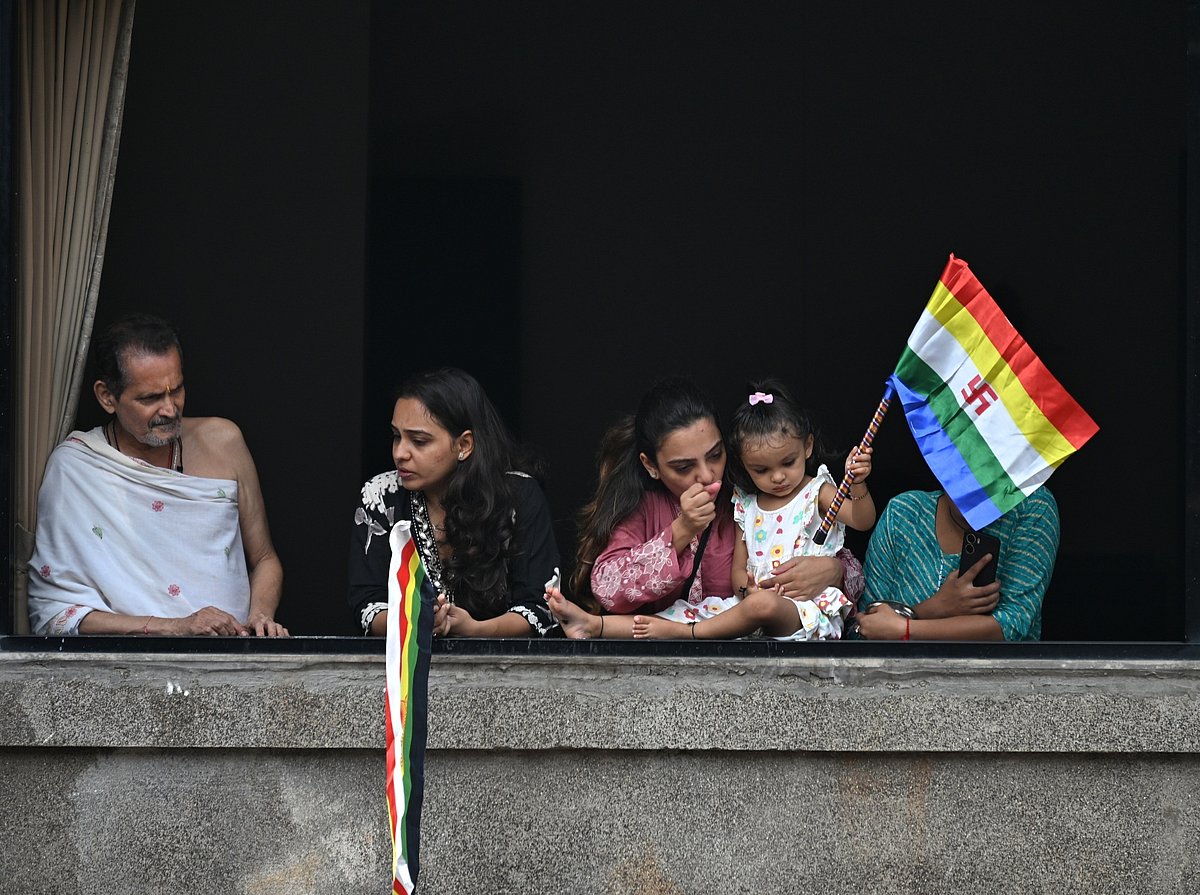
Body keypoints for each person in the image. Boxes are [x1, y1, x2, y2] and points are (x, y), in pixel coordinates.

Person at [27, 314, 286, 636]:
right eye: (150, 398)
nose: (169, 409)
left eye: (176, 390)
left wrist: (261, 616)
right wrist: (176, 627)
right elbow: (55, 612)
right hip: (128, 670)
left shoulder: (223, 441)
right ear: (107, 396)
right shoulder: (76, 466)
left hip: (232, 659)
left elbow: (264, 559)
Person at [547, 378, 863, 639]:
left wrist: (835, 572)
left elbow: (852, 572)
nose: (707, 475)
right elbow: (607, 586)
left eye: (715, 455)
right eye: (684, 467)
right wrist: (681, 531)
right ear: (652, 466)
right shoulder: (643, 506)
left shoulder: (748, 498)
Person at [349, 367, 560, 637]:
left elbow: (541, 607)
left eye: (419, 441)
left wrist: (475, 629)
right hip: (403, 672)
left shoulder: (519, 495)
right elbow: (366, 603)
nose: (400, 453)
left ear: (464, 445)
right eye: (396, 436)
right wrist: (412, 621)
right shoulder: (379, 496)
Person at [854, 486, 1060, 641]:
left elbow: (1013, 625)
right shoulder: (904, 514)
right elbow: (864, 628)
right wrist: (935, 608)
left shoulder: (1031, 507)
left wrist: (907, 629)